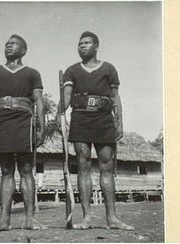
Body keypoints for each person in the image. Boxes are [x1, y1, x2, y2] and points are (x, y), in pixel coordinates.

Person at [57, 31, 134, 230]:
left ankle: (112, 219)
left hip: (104, 120)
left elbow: (116, 98)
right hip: (80, 118)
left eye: (87, 43)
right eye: (80, 43)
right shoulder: (72, 71)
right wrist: (59, 115)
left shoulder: (108, 68)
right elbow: (66, 96)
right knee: (83, 166)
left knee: (106, 167)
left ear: (96, 46)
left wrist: (120, 122)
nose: (82, 46)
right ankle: (87, 219)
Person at [0, 34, 45, 232]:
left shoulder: (32, 73)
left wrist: (42, 126)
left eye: (13, 44)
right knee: (5, 170)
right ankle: (4, 221)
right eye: (6, 44)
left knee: (26, 168)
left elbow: (38, 100)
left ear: (23, 50)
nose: (8, 46)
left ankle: (30, 220)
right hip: (1, 120)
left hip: (24, 120)